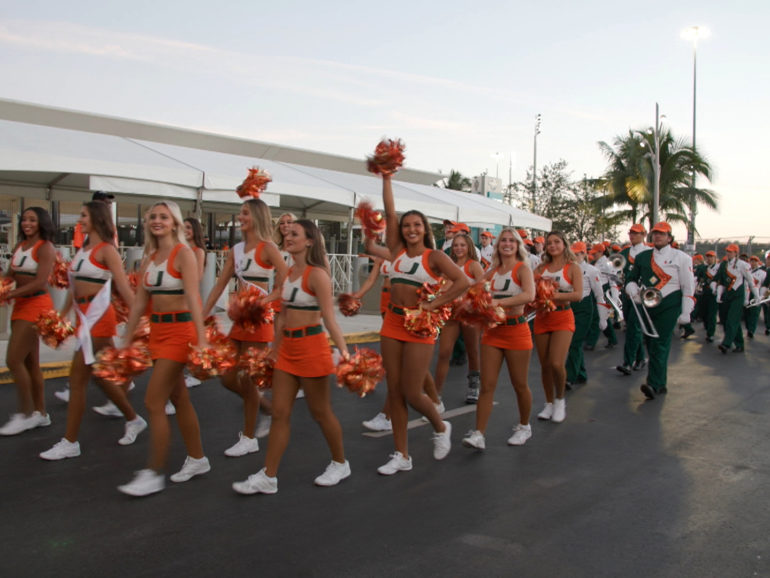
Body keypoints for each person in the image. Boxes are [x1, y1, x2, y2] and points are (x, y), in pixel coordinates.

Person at [232, 219, 351, 495]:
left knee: (320, 412)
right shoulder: (288, 273)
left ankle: (340, 462)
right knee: (280, 414)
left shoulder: (317, 275)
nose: (288, 236)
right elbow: (283, 315)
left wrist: (344, 353)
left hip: (313, 348)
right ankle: (268, 476)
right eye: (287, 233)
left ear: (309, 241)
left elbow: (330, 320)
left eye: (295, 233)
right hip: (287, 351)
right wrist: (274, 348)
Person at [375, 172, 469, 475]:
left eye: (417, 225)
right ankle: (401, 455)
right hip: (392, 322)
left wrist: (433, 304)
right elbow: (389, 212)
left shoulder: (436, 256)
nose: (410, 229)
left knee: (413, 392)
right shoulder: (396, 250)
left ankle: (441, 427)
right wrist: (387, 178)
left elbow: (463, 281)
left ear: (424, 229)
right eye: (407, 225)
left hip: (420, 327)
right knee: (394, 390)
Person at [117, 201, 210, 497]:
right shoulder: (150, 257)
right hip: (157, 332)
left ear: (175, 223)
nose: (157, 221)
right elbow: (140, 304)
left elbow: (194, 298)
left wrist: (202, 338)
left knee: (154, 402)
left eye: (163, 217)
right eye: (153, 216)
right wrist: (127, 338)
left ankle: (153, 473)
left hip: (179, 332)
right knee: (179, 397)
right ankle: (198, 458)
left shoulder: (184, 254)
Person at [39, 201, 145, 460]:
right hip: (83, 318)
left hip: (99, 318)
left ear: (97, 218)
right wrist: (61, 316)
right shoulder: (83, 249)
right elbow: (74, 287)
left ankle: (70, 442)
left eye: (84, 215)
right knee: (101, 376)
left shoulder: (107, 250)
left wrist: (141, 322)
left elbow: (123, 288)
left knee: (78, 380)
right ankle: (133, 418)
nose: (80, 219)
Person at [202, 199, 288, 456]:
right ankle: (265, 407)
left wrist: (264, 301)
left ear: (258, 216)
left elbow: (286, 283)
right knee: (227, 377)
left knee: (249, 380)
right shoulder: (237, 249)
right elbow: (220, 285)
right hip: (239, 322)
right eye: (240, 212)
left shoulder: (268, 248)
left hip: (260, 321)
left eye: (246, 213)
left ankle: (249, 437)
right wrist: (202, 315)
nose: (241, 217)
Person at [462, 228, 535, 449]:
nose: (507, 243)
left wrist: (496, 303)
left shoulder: (522, 269)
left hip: (517, 331)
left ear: (518, 245)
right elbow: (473, 291)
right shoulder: (492, 272)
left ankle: (524, 426)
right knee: (487, 385)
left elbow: (528, 295)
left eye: (512, 241)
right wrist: (467, 304)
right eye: (503, 240)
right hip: (493, 332)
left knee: (520, 384)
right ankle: (479, 434)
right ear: (497, 245)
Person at [0, 207, 57, 436]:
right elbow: (9, 275)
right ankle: (40, 414)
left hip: (36, 306)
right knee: (30, 363)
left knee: (13, 360)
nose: (27, 223)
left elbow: (41, 282)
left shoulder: (45, 248)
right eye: (24, 219)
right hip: (20, 306)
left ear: (41, 222)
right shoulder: (19, 246)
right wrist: (4, 285)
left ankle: (24, 414)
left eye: (32, 220)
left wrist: (9, 294)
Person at [625, 222, 696, 399]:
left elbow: (688, 286)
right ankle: (661, 383)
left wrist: (686, 311)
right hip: (648, 304)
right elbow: (632, 278)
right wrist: (632, 289)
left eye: (662, 234)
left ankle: (653, 384)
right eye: (655, 233)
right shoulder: (643, 256)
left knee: (659, 342)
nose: (658, 236)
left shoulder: (682, 257)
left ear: (669, 238)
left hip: (669, 306)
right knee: (650, 343)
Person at [532, 231, 582, 423]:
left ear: (564, 244)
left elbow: (577, 295)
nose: (552, 246)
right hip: (542, 317)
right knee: (544, 365)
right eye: (549, 243)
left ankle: (560, 399)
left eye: (556, 242)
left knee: (556, 363)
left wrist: (552, 295)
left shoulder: (572, 268)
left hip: (563, 317)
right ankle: (548, 403)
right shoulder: (541, 268)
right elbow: (531, 290)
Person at [433, 233, 484, 403]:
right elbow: (444, 286)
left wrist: (470, 300)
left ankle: (473, 387)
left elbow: (484, 288)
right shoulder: (450, 266)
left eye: (462, 245)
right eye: (456, 245)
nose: (459, 248)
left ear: (469, 246)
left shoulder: (474, 265)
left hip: (469, 314)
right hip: (451, 314)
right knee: (444, 352)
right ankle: (436, 393)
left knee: (472, 350)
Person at [565, 242, 608, 388]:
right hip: (569, 307)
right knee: (573, 343)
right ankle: (581, 374)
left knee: (574, 342)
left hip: (584, 308)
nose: (575, 257)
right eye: (573, 254)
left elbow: (599, 294)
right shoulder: (566, 268)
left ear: (584, 254)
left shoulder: (592, 270)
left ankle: (569, 376)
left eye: (578, 254)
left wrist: (603, 317)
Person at [615, 224, 650, 375]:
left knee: (634, 328)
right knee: (631, 326)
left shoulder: (649, 252)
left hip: (639, 295)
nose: (632, 236)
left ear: (644, 234)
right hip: (626, 294)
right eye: (631, 233)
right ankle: (641, 358)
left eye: (636, 233)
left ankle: (628, 362)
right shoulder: (625, 252)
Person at [714, 244, 758, 354]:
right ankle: (739, 344)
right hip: (727, 295)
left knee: (732, 319)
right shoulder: (723, 264)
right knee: (727, 320)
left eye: (731, 251)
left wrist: (756, 296)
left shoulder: (743, 265)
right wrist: (719, 294)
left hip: (738, 296)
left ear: (736, 253)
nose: (728, 253)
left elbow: (750, 281)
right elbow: (721, 281)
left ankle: (726, 344)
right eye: (727, 251)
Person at [182, 217, 206, 388]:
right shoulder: (179, 249)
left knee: (191, 337)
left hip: (189, 299)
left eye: (189, 227)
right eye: (183, 227)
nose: (185, 230)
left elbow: (197, 277)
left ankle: (195, 373)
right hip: (178, 299)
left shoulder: (198, 251)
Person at [585, 243, 618, 349]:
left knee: (597, 316)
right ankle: (612, 338)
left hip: (604, 290)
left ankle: (591, 342)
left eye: (595, 253)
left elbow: (613, 280)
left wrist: (614, 296)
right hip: (595, 289)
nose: (593, 255)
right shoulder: (596, 263)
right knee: (603, 315)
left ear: (601, 252)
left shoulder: (608, 264)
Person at [744, 256, 766, 338]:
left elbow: (764, 285)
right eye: (751, 261)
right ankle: (748, 327)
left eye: (755, 261)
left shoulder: (762, 273)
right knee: (747, 313)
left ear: (758, 262)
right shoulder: (746, 271)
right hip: (747, 294)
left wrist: (761, 296)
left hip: (756, 294)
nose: (753, 263)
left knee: (754, 314)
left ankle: (751, 330)